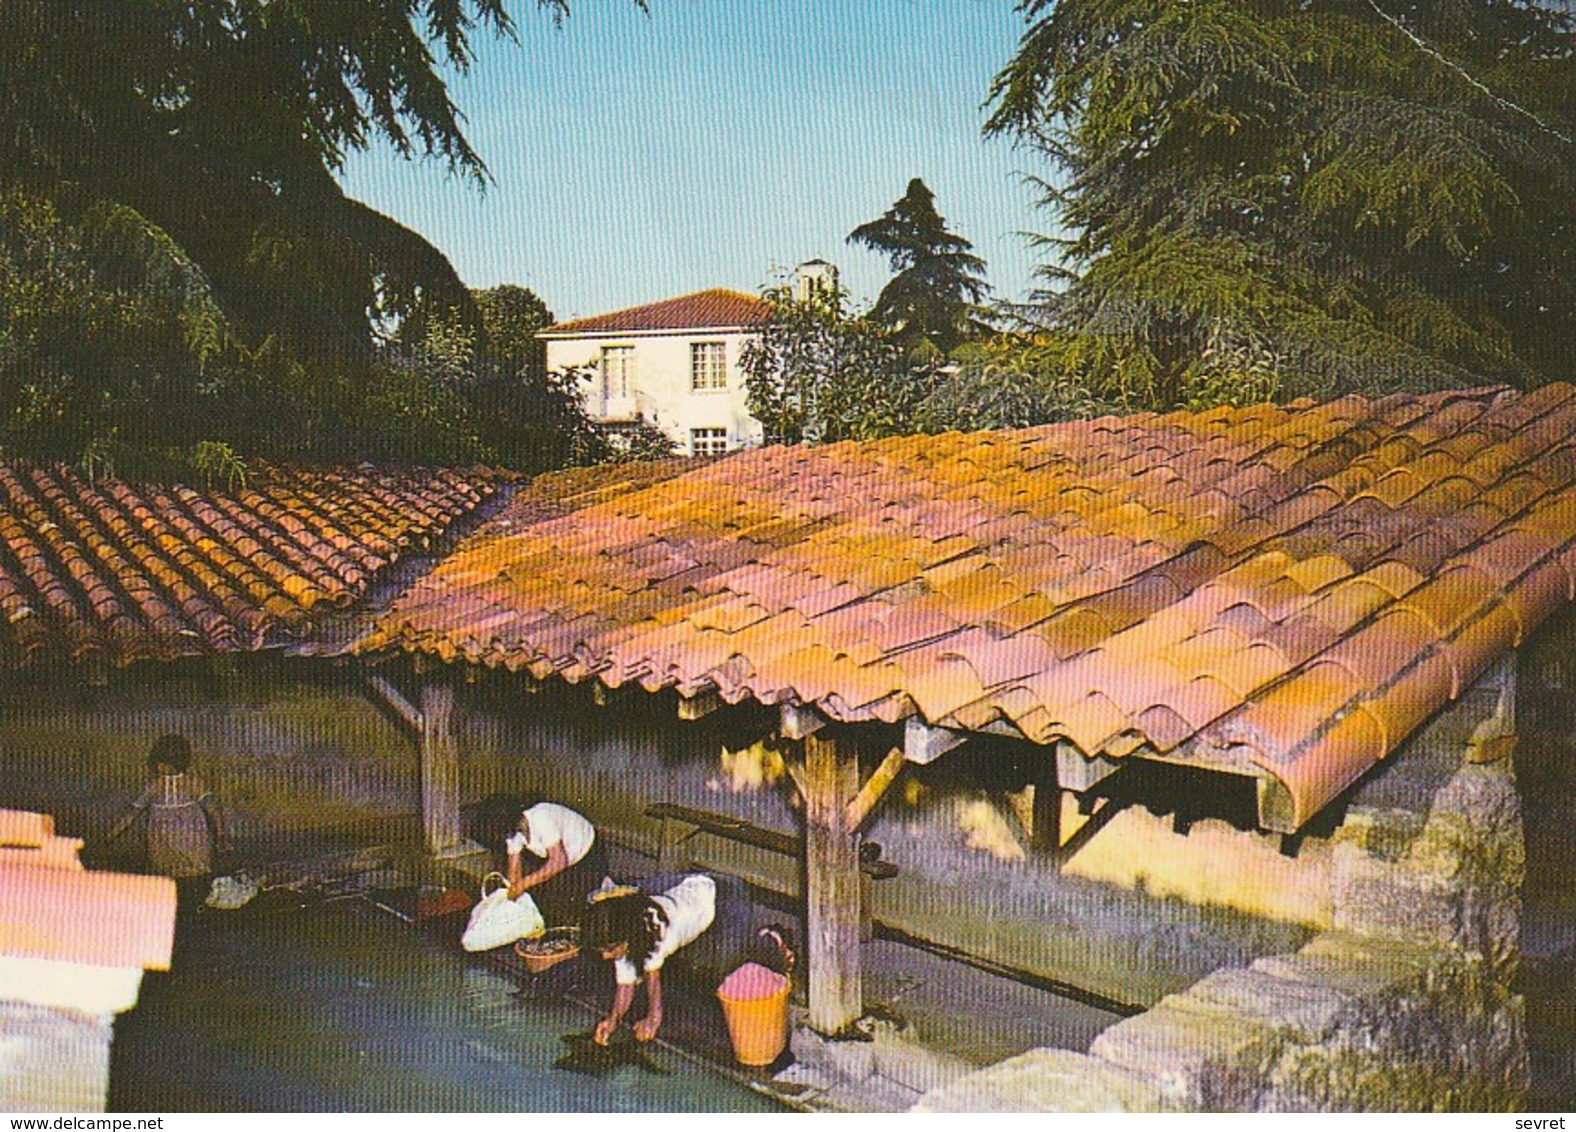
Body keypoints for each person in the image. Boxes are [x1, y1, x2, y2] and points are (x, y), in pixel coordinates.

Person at [581, 871, 778, 1046]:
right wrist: (613, 1019)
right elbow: (625, 983)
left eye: (609, 949)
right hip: (689, 885)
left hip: (724, 895)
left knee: (730, 970)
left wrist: (652, 1020)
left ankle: (771, 940)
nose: (605, 956)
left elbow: (653, 984)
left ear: (626, 937)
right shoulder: (626, 926)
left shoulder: (655, 934)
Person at [107, 734, 228, 911]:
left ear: (176, 762)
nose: (160, 766)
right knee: (169, 881)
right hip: (163, 843)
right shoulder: (155, 786)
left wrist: (221, 834)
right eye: (158, 762)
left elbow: (213, 808)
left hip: (190, 842)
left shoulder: (192, 783)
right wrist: (112, 834)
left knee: (194, 879)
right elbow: (133, 812)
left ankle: (196, 911)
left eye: (164, 762)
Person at [472, 793, 607, 927]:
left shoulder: (541, 818)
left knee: (578, 907)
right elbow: (514, 870)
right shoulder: (512, 831)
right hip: (560, 857)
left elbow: (559, 861)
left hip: (587, 853)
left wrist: (524, 884)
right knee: (549, 904)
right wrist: (511, 894)